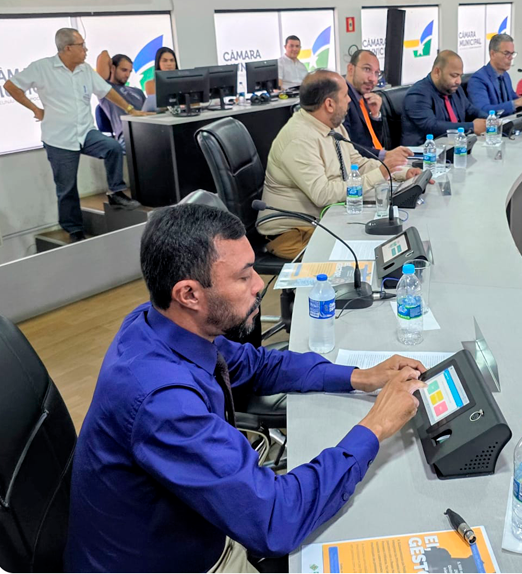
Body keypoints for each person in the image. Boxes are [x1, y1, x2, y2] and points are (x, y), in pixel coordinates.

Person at [63, 203, 428, 572]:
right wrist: (376, 426)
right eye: (243, 277)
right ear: (189, 294)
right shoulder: (163, 402)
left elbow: (257, 364)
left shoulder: (159, 322)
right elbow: (276, 520)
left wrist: (358, 376)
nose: (258, 285)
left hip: (195, 527)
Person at [257, 70, 427, 259]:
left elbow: (357, 164)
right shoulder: (298, 139)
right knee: (365, 253)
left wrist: (401, 172)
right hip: (293, 233)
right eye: (345, 95)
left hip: (324, 220)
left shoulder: (332, 126)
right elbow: (323, 195)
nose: (349, 100)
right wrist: (379, 174)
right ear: (329, 104)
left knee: (387, 234)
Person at [3, 28, 143, 242]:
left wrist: (130, 110)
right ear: (68, 48)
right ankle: (74, 229)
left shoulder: (85, 70)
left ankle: (116, 192)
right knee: (67, 188)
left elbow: (106, 91)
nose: (86, 50)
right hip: (59, 138)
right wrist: (35, 109)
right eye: (81, 46)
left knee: (113, 147)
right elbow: (11, 86)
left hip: (86, 132)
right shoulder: (42, 68)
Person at [401, 50, 487, 146]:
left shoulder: (454, 89)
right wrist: (471, 127)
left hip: (455, 147)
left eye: (460, 75)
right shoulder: (417, 94)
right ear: (437, 72)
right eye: (454, 75)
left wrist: (490, 119)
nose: (459, 81)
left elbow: (469, 110)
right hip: (425, 151)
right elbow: (431, 127)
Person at [342, 48, 411, 165]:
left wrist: (375, 115)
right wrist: (385, 155)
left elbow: (374, 142)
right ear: (350, 69)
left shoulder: (364, 97)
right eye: (367, 69)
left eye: (377, 73)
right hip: (360, 167)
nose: (373, 79)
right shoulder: (342, 99)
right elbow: (347, 146)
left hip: (376, 162)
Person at [466, 33, 522, 115]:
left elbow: (516, 101)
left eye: (512, 54)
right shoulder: (478, 79)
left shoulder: (505, 76)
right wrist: (517, 103)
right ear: (492, 54)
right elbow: (483, 110)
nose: (511, 58)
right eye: (506, 53)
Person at [95, 51, 146, 147]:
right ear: (113, 68)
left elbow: (149, 110)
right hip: (127, 135)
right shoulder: (107, 89)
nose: (127, 75)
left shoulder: (138, 91)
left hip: (148, 130)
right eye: (124, 70)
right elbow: (103, 55)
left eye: (129, 71)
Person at [142, 46, 178, 112]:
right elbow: (159, 105)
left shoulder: (182, 81)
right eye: (165, 61)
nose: (169, 64)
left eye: (172, 60)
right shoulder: (150, 84)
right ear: (158, 63)